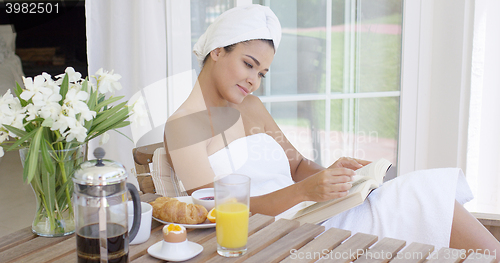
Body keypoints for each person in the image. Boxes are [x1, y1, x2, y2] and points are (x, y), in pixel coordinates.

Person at [164, 4, 500, 258]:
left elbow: (296, 166)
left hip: (318, 214)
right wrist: (304, 192)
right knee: (423, 195)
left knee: (422, 193)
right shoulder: (183, 128)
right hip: (281, 236)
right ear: (218, 50)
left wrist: (339, 179)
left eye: (262, 73)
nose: (254, 80)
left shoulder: (251, 107)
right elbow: (215, 213)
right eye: (249, 64)